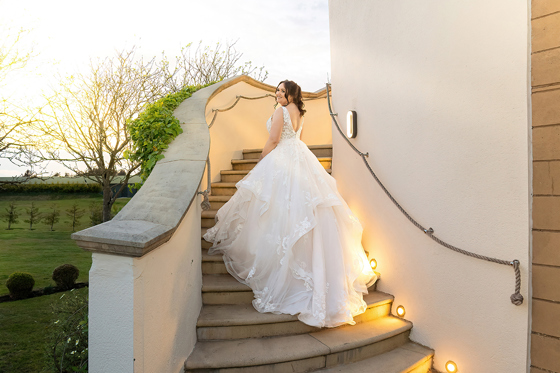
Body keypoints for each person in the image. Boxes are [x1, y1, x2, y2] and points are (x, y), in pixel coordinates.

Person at [203, 80, 377, 328]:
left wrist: (262, 161)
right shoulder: (300, 115)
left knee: (278, 208)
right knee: (302, 208)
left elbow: (274, 140)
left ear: (291, 94)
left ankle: (287, 270)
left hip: (283, 157)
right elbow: (296, 138)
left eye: (282, 91)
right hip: (300, 157)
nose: (277, 94)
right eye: (277, 90)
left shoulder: (280, 111)